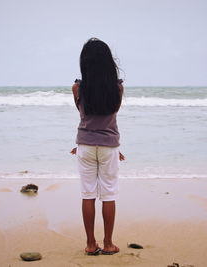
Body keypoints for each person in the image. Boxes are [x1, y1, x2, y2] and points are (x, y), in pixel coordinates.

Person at [70, 38, 124, 256]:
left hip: (85, 145)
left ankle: (91, 244)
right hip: (109, 146)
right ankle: (109, 243)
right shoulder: (117, 88)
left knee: (88, 194)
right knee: (109, 194)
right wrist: (112, 146)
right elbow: (110, 117)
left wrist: (85, 142)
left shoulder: (77, 88)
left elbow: (84, 116)